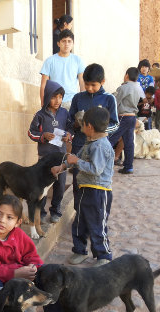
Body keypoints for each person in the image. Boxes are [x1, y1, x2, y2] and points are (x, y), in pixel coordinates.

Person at [51, 107, 114, 267]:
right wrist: (63, 166)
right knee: (80, 222)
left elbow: (95, 170)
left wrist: (76, 162)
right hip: (84, 189)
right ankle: (80, 251)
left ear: (89, 127)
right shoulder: (90, 142)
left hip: (98, 192)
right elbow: (76, 157)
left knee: (97, 224)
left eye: (83, 125)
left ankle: (103, 255)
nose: (82, 128)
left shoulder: (100, 146)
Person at [68, 64, 118, 203]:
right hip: (79, 144)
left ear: (102, 82)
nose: (89, 88)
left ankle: (94, 212)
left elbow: (115, 123)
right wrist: (76, 124)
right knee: (78, 181)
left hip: (98, 148)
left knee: (96, 180)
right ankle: (79, 213)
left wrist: (98, 132)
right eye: (86, 84)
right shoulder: (78, 98)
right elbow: (70, 120)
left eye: (93, 85)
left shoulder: (109, 99)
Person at [28, 80, 73, 223]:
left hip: (60, 157)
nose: (57, 100)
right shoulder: (40, 115)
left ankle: (56, 211)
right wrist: (43, 136)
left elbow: (71, 129)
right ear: (47, 97)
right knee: (43, 186)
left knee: (60, 185)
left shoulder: (65, 113)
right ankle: (40, 212)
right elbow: (31, 133)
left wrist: (68, 136)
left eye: (60, 97)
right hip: (45, 157)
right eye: (54, 97)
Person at [40, 29, 86, 110]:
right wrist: (43, 104)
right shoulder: (50, 61)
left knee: (73, 123)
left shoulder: (78, 60)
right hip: (54, 101)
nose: (66, 44)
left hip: (73, 102)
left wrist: (83, 103)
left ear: (73, 44)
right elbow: (44, 85)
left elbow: (82, 83)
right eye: (64, 41)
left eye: (69, 41)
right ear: (58, 43)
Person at [109, 67, 142, 175]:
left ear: (126, 75)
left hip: (123, 116)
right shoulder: (138, 88)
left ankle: (103, 163)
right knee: (129, 143)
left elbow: (115, 102)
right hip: (132, 117)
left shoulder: (123, 88)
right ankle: (128, 166)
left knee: (110, 139)